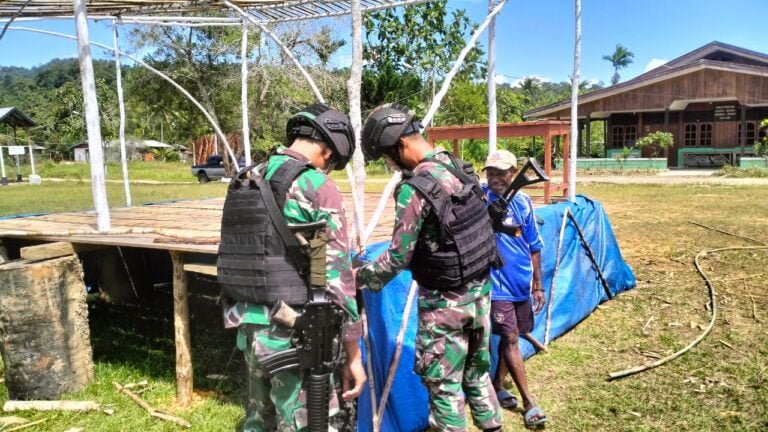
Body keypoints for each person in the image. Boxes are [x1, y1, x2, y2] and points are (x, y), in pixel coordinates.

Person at [355, 103, 503, 432]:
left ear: (400, 145)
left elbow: (397, 257)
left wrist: (356, 278)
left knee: (446, 389)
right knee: (478, 377)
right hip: (481, 295)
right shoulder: (456, 165)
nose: (391, 164)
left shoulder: (415, 188)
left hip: (445, 307)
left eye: (388, 157)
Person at [218, 103, 366, 431]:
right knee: (307, 423)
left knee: (260, 420)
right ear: (327, 151)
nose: (327, 171)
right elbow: (336, 278)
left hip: (247, 321)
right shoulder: (315, 185)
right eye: (331, 165)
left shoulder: (245, 179)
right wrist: (353, 355)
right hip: (294, 333)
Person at [482, 149, 548, 429]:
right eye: (491, 172)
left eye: (502, 172)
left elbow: (534, 245)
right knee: (509, 339)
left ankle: (497, 384)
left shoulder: (523, 202)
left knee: (517, 335)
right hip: (496, 287)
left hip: (521, 283)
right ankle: (529, 403)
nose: (496, 177)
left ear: (513, 173)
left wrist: (538, 285)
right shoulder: (478, 198)